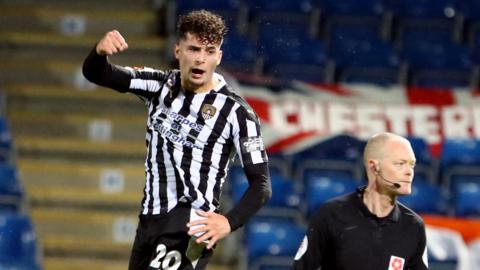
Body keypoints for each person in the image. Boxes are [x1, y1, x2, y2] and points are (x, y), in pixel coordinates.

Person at [82, 10, 271, 270]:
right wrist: (99, 53)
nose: (200, 59)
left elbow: (261, 184)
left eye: (209, 51)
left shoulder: (237, 113)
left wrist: (229, 222)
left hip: (191, 225)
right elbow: (98, 74)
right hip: (149, 221)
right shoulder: (159, 85)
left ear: (219, 57)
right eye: (194, 49)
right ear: (178, 50)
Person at [294, 132, 429, 270]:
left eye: (412, 164)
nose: (409, 172)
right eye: (400, 164)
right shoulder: (332, 214)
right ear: (373, 167)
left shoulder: (413, 226)